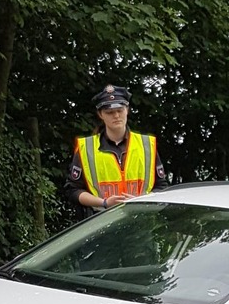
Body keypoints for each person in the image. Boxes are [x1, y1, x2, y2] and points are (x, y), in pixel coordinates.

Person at [64, 84, 168, 216]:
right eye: (110, 112)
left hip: (142, 221)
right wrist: (104, 202)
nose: (116, 115)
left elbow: (161, 187)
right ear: (100, 114)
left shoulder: (147, 145)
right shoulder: (87, 148)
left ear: (127, 110)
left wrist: (140, 201)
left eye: (120, 110)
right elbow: (72, 190)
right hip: (102, 222)